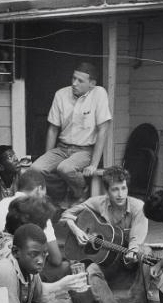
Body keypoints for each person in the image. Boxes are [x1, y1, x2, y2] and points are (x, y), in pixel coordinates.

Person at [61, 165, 151, 303]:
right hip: (108, 261)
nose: (120, 194)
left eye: (123, 188)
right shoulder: (98, 202)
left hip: (128, 259)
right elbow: (67, 214)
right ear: (107, 191)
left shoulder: (138, 207)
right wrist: (76, 229)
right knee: (91, 269)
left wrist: (132, 251)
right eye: (115, 189)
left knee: (146, 254)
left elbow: (136, 238)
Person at [31, 62, 112, 205]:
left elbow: (103, 129)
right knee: (35, 169)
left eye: (80, 81)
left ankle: (80, 191)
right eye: (73, 78)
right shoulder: (61, 94)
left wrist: (93, 164)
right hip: (62, 148)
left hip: (85, 151)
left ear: (92, 83)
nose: (74, 83)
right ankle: (60, 195)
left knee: (65, 168)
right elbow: (53, 129)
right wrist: (47, 157)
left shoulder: (99, 93)